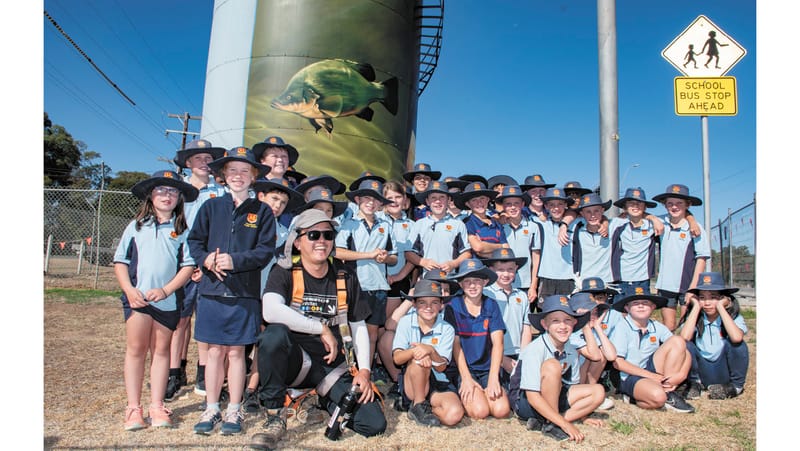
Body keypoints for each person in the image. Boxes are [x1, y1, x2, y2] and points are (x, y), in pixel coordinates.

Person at [250, 210, 386, 449]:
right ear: (298, 241)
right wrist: (320, 327)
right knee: (273, 335)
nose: (321, 241)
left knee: (373, 424)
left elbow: (358, 325)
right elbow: (270, 311)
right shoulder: (283, 270)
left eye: (328, 235)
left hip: (331, 367)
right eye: (313, 235)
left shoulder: (345, 274)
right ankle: (274, 414)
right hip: (295, 361)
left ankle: (323, 401)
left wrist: (364, 371)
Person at [187, 147, 277, 435]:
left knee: (237, 352)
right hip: (212, 292)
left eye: (244, 171)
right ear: (223, 176)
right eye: (232, 171)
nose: (238, 176)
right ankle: (211, 408)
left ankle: (234, 410)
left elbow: (265, 251)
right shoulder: (211, 207)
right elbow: (195, 242)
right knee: (214, 351)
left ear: (253, 177)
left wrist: (235, 260)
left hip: (244, 293)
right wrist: (207, 259)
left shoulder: (262, 211)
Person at [113, 170, 198, 430]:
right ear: (151, 195)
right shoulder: (136, 226)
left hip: (168, 302)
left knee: (162, 352)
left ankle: (157, 405)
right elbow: (120, 262)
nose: (167, 195)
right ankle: (133, 408)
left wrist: (166, 290)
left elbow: (187, 267)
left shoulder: (183, 230)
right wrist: (129, 290)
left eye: (172, 191)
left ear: (179, 198)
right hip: (138, 301)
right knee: (137, 350)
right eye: (161, 190)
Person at [167, 139, 225, 402]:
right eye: (198, 158)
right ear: (188, 163)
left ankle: (205, 372)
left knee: (206, 320)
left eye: (208, 158)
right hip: (179, 265)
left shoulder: (221, 192)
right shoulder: (178, 191)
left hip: (208, 265)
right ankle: (174, 371)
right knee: (179, 320)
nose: (204, 162)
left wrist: (205, 262)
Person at [243, 176, 304, 413]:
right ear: (260, 196)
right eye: (274, 199)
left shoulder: (284, 233)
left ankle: (251, 389)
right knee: (237, 346)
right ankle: (231, 388)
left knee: (262, 343)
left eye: (282, 202)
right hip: (241, 292)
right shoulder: (244, 223)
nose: (277, 205)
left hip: (266, 295)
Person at [508, 295, 604, 443]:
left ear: (574, 323)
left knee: (598, 391)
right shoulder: (535, 349)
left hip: (554, 394)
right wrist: (566, 425)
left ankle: (546, 421)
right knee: (552, 365)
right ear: (545, 325)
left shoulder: (571, 349)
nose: (562, 326)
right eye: (555, 321)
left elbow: (573, 386)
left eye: (567, 321)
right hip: (525, 401)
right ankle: (554, 423)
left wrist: (583, 416)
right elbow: (532, 396)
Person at [335, 180, 397, 378]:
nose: (371, 203)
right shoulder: (349, 224)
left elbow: (394, 257)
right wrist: (369, 255)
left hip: (378, 286)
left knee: (371, 334)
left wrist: (384, 257)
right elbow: (338, 252)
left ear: (380, 204)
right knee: (350, 333)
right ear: (358, 199)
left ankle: (365, 374)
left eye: (375, 199)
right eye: (367, 198)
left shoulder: (385, 226)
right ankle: (347, 374)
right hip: (355, 285)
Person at [607, 288, 695, 413]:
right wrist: (652, 376)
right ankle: (636, 397)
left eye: (645, 303)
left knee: (678, 341)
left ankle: (668, 389)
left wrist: (681, 375)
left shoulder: (656, 326)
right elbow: (618, 363)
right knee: (658, 398)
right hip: (629, 375)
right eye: (635, 303)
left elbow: (682, 349)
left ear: (653, 307)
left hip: (651, 368)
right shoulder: (621, 327)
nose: (641, 306)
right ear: (627, 308)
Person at [444, 259, 510, 420]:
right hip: (465, 368)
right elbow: (456, 345)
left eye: (477, 281)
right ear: (460, 284)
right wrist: (466, 378)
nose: (472, 286)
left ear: (485, 282)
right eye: (467, 281)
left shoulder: (491, 305)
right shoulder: (453, 306)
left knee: (501, 410)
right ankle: (466, 393)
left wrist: (494, 378)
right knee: (480, 412)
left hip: (487, 368)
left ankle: (488, 389)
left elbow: (498, 343)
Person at [392, 279, 464, 427]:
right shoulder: (406, 322)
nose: (428, 307)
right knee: (420, 360)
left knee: (454, 415)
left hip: (438, 380)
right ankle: (418, 403)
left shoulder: (447, 328)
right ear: (414, 304)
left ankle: (422, 407)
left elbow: (441, 367)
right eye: (422, 302)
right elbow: (397, 358)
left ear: (441, 305)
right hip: (413, 380)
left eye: (434, 302)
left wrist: (430, 350)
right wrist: (416, 351)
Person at [678, 272, 748, 400]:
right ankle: (695, 383)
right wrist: (695, 308)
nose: (707, 303)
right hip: (701, 369)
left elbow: (737, 337)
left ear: (723, 298)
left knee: (738, 345)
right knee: (685, 344)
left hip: (723, 370)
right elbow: (684, 338)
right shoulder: (696, 317)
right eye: (702, 297)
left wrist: (721, 307)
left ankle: (735, 387)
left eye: (713, 297)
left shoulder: (733, 317)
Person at [376, 180, 417, 394]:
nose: (394, 201)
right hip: (376, 280)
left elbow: (413, 256)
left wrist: (399, 275)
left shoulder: (411, 225)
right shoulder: (376, 220)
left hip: (398, 280)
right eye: (389, 197)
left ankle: (386, 364)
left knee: (389, 324)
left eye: (398, 197)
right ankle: (379, 364)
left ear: (405, 201)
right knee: (378, 324)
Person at [652, 184, 711, 331]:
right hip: (666, 285)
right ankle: (669, 353)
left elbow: (701, 258)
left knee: (687, 326)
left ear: (687, 205)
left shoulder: (696, 228)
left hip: (687, 285)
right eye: (670, 203)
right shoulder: (661, 222)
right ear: (665, 205)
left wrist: (693, 288)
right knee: (669, 326)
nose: (674, 207)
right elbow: (639, 215)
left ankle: (688, 353)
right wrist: (652, 218)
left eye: (679, 203)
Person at [480, 248, 530, 387]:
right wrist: (501, 359)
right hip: (492, 354)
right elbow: (482, 331)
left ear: (516, 269)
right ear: (491, 270)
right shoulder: (486, 294)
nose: (506, 274)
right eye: (500, 269)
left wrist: (523, 357)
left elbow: (526, 328)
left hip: (517, 354)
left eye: (510, 269)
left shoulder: (521, 296)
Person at [405, 180, 472, 277]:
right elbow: (408, 253)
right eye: (433, 198)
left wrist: (453, 264)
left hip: (450, 278)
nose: (438, 201)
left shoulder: (458, 224)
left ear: (448, 200)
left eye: (442, 197)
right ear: (427, 201)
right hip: (427, 278)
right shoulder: (419, 224)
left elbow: (466, 253)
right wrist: (423, 262)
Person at [567, 292, 617, 411]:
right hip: (565, 381)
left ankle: (589, 392)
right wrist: (585, 327)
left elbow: (611, 356)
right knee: (593, 356)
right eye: (590, 312)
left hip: (579, 378)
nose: (594, 316)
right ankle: (584, 395)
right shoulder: (571, 332)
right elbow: (594, 356)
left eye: (596, 312)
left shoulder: (591, 329)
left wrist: (598, 327)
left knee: (602, 355)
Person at [609, 188, 662, 299]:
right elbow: (602, 220)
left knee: (641, 312)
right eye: (631, 203)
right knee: (619, 313)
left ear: (645, 207)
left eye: (639, 203)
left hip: (643, 280)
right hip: (621, 280)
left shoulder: (652, 225)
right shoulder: (617, 223)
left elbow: (680, 217)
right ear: (624, 207)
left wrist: (653, 218)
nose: (635, 206)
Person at [495, 185, 541, 303]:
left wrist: (533, 286)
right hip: (500, 283)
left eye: (516, 203)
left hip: (525, 284)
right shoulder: (498, 226)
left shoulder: (533, 227)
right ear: (503, 206)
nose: (512, 207)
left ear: (523, 205)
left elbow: (536, 259)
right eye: (508, 204)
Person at [533, 188, 576, 309]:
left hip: (569, 278)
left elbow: (577, 212)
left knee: (569, 313)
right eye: (551, 205)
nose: (556, 208)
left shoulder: (576, 223)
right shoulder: (540, 223)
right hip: (547, 278)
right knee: (545, 313)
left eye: (560, 204)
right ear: (546, 206)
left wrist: (564, 225)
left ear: (566, 205)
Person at [457, 182, 508, 258]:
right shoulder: (467, 223)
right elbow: (478, 247)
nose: (479, 202)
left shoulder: (496, 223)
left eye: (482, 198)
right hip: (476, 267)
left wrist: (485, 250)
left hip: (497, 268)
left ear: (488, 200)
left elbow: (506, 248)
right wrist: (500, 246)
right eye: (474, 200)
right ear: (468, 204)